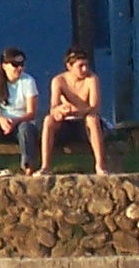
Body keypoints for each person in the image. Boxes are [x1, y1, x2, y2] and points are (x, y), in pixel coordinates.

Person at [43, 47, 113, 175]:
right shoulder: (59, 81)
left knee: (92, 119)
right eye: (80, 66)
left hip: (85, 125)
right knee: (48, 120)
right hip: (67, 125)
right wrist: (60, 111)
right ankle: (45, 166)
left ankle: (100, 166)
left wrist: (76, 111)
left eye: (86, 65)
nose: (85, 69)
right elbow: (53, 107)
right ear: (69, 66)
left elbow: (95, 107)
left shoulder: (92, 79)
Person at [0, 48, 39, 176]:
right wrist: (2, 120)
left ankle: (28, 168)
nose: (19, 68)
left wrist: (15, 121)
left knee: (25, 129)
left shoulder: (28, 81)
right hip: (2, 125)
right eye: (15, 65)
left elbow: (31, 112)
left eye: (22, 65)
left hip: (22, 124)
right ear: (4, 66)